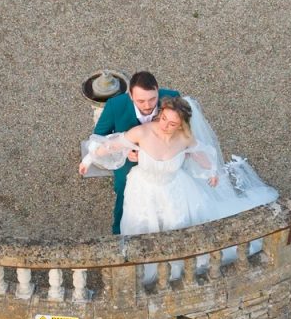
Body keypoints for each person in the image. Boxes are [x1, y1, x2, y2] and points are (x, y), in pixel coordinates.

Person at [80, 96, 278, 237]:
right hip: (144, 189)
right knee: (143, 229)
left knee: (179, 227)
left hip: (174, 188)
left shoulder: (185, 139)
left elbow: (200, 154)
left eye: (172, 123)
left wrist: (212, 171)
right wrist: (88, 159)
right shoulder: (142, 132)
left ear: (181, 126)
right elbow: (112, 145)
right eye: (163, 118)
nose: (164, 125)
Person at [85, 71, 180, 234]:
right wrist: (125, 149)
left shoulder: (173, 98)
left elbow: (182, 130)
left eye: (152, 99)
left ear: (157, 89)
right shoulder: (115, 105)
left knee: (173, 188)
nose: (147, 105)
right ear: (130, 95)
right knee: (124, 189)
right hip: (129, 159)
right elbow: (97, 139)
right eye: (141, 100)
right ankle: (118, 232)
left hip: (163, 157)